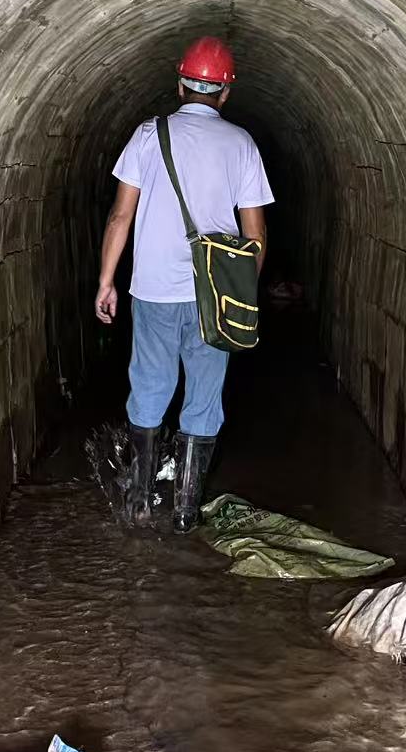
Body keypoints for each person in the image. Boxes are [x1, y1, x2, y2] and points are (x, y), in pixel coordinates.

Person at [94, 36, 273, 532]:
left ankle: (139, 502)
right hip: (213, 296)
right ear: (225, 93)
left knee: (149, 389)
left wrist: (107, 281)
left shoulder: (147, 136)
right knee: (204, 398)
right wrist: (240, 294)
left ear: (180, 85)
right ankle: (186, 513)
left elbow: (120, 216)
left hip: (152, 289)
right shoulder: (242, 144)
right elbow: (256, 234)